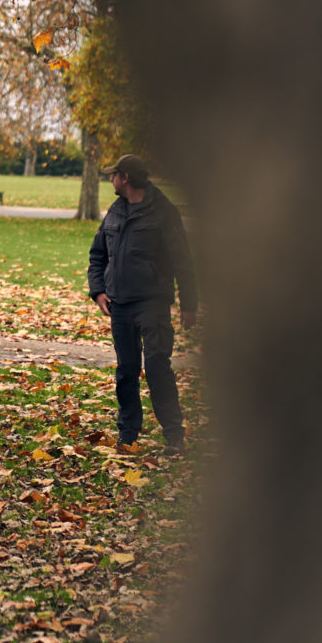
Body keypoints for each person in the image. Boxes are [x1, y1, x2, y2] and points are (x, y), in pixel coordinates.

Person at [87, 154, 197, 455]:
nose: (110, 180)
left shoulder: (163, 212)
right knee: (127, 371)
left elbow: (182, 260)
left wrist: (189, 304)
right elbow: (97, 255)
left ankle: (174, 436)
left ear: (126, 178)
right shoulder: (116, 211)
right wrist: (98, 292)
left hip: (152, 303)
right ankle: (128, 433)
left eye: (114, 175)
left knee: (157, 368)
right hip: (118, 305)